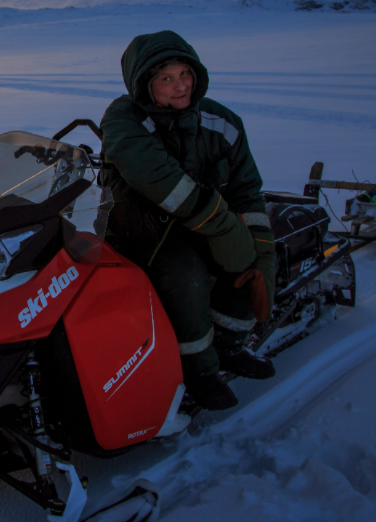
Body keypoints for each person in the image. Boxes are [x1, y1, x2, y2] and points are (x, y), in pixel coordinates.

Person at [99, 30, 276, 410]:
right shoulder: (124, 119)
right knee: (185, 276)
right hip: (144, 232)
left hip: (205, 226)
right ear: (144, 84)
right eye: (166, 78)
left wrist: (261, 248)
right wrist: (225, 226)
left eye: (185, 74)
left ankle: (229, 347)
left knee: (248, 264)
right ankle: (198, 371)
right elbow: (160, 180)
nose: (180, 86)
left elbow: (247, 190)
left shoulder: (223, 122)